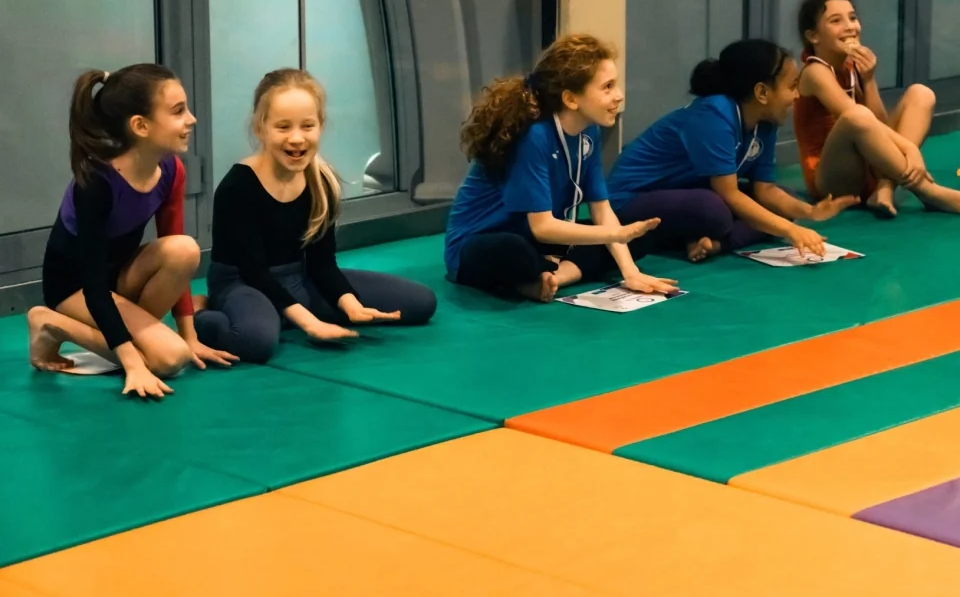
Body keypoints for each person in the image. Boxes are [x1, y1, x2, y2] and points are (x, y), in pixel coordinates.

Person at [193, 69, 436, 363]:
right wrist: (312, 324)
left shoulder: (322, 181)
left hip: (299, 279)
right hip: (243, 283)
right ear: (260, 128)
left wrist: (350, 304)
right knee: (255, 342)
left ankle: (283, 315)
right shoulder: (237, 187)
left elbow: (321, 263)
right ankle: (202, 311)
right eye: (283, 127)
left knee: (421, 303)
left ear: (320, 126)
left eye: (307, 126)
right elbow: (255, 272)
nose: (296, 138)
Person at [26, 64, 235, 399]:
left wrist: (189, 335)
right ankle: (50, 323)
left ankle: (130, 338)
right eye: (178, 111)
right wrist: (132, 363)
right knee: (169, 359)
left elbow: (174, 254)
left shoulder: (171, 170)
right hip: (74, 288)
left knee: (184, 249)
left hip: (118, 279)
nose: (191, 119)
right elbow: (93, 286)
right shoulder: (97, 183)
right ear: (140, 125)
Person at [445, 34, 675, 302]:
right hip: (485, 241)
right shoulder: (534, 136)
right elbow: (542, 227)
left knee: (638, 236)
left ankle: (552, 278)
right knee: (516, 253)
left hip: (539, 236)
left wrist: (630, 271)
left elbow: (601, 210)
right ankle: (535, 273)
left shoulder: (589, 132)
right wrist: (614, 235)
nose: (619, 96)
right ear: (571, 99)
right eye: (607, 87)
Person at [608, 38, 859, 263]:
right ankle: (679, 237)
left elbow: (766, 190)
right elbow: (729, 194)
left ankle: (713, 244)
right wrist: (791, 231)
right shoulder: (715, 113)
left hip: (688, 192)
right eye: (791, 86)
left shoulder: (766, 121)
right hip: (631, 197)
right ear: (762, 92)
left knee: (782, 199)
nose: (796, 96)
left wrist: (810, 212)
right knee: (714, 211)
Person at [793, 0, 960, 219]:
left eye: (853, 18)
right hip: (833, 179)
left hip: (869, 164)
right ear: (813, 36)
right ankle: (926, 190)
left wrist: (869, 79)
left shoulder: (851, 65)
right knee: (857, 116)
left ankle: (886, 187)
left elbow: (878, 125)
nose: (849, 26)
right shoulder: (815, 72)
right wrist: (909, 148)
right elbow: (855, 117)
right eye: (836, 21)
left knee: (921, 94)